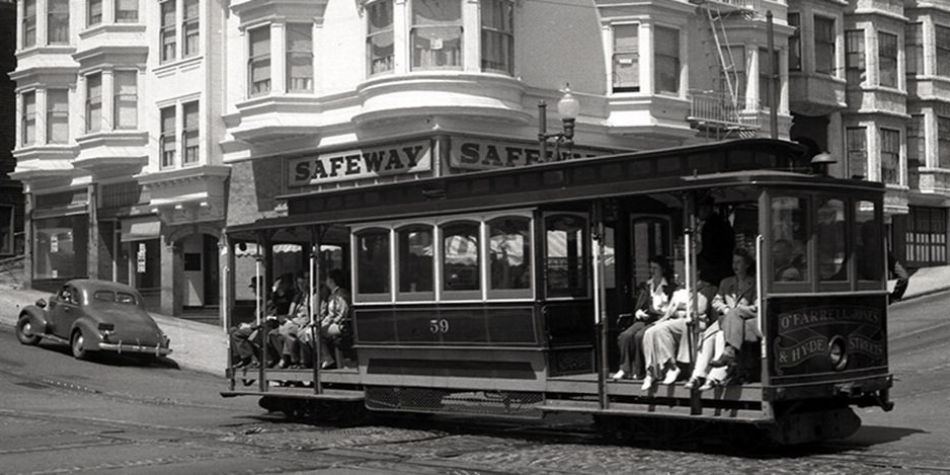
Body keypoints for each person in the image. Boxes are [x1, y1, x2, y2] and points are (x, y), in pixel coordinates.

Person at [640, 270, 718, 390]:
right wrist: (675, 310)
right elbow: (670, 311)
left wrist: (680, 309)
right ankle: (652, 371)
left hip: (694, 322)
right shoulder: (679, 290)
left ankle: (671, 367)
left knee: (667, 328)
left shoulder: (705, 288)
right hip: (676, 320)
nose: (681, 275)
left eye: (686, 271)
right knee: (651, 331)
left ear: (696, 272)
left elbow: (699, 310)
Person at [611, 256, 676, 381]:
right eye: (650, 268)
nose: (652, 271)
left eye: (655, 268)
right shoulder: (645, 286)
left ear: (663, 269)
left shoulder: (670, 287)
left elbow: (672, 308)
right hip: (646, 318)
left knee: (640, 336)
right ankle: (624, 369)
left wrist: (662, 312)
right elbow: (639, 304)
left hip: (660, 319)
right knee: (625, 335)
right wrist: (638, 312)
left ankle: (639, 370)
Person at [709, 249, 759, 377]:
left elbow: (756, 306)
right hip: (729, 320)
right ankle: (705, 376)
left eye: (738, 262)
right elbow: (716, 301)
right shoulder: (726, 282)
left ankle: (729, 354)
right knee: (707, 337)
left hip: (749, 319)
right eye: (733, 262)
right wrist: (726, 309)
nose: (735, 266)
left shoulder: (755, 282)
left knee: (733, 314)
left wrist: (738, 311)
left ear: (747, 265)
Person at [267, 273, 312, 368]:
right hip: (292, 320)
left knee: (286, 330)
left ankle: (292, 360)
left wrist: (292, 320)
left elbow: (309, 314)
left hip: (303, 322)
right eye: (299, 283)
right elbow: (290, 312)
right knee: (273, 333)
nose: (301, 286)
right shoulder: (298, 296)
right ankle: (284, 358)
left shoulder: (308, 295)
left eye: (302, 283)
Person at [316, 269, 351, 369]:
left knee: (317, 332)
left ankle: (327, 358)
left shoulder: (341, 294)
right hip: (333, 323)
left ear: (331, 280)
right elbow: (330, 313)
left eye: (327, 279)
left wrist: (333, 320)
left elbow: (344, 311)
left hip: (342, 325)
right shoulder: (332, 294)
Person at [697, 196, 735, 287]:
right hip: (725, 268)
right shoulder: (722, 223)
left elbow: (711, 251)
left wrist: (697, 258)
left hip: (715, 272)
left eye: (699, 210)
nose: (698, 214)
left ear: (707, 209)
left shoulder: (710, 226)